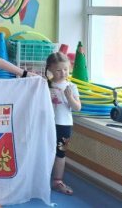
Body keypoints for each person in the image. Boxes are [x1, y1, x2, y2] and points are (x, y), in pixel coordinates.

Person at [47, 52, 81, 195]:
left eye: (65, 69)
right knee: (44, 150)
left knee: (60, 153)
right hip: (47, 123)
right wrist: (47, 97)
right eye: (58, 70)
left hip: (64, 124)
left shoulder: (71, 86)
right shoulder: (46, 85)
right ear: (50, 69)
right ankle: (40, 178)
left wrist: (70, 97)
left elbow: (77, 107)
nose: (63, 73)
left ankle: (57, 181)